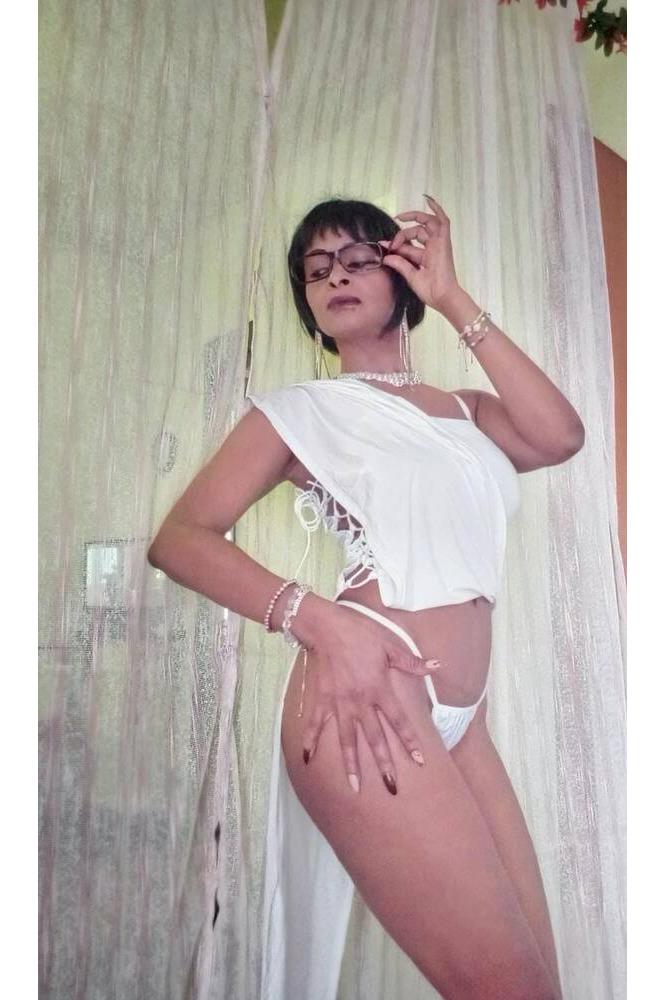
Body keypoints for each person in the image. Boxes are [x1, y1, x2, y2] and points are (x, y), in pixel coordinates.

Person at [148, 195, 585, 999]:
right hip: (365, 691)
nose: (334, 279)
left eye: (356, 260)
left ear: (400, 274)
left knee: (540, 988)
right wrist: (320, 623)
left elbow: (561, 436)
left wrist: (451, 296)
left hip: (463, 722)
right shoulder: (300, 412)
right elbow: (180, 538)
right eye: (316, 272)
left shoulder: (467, 412)